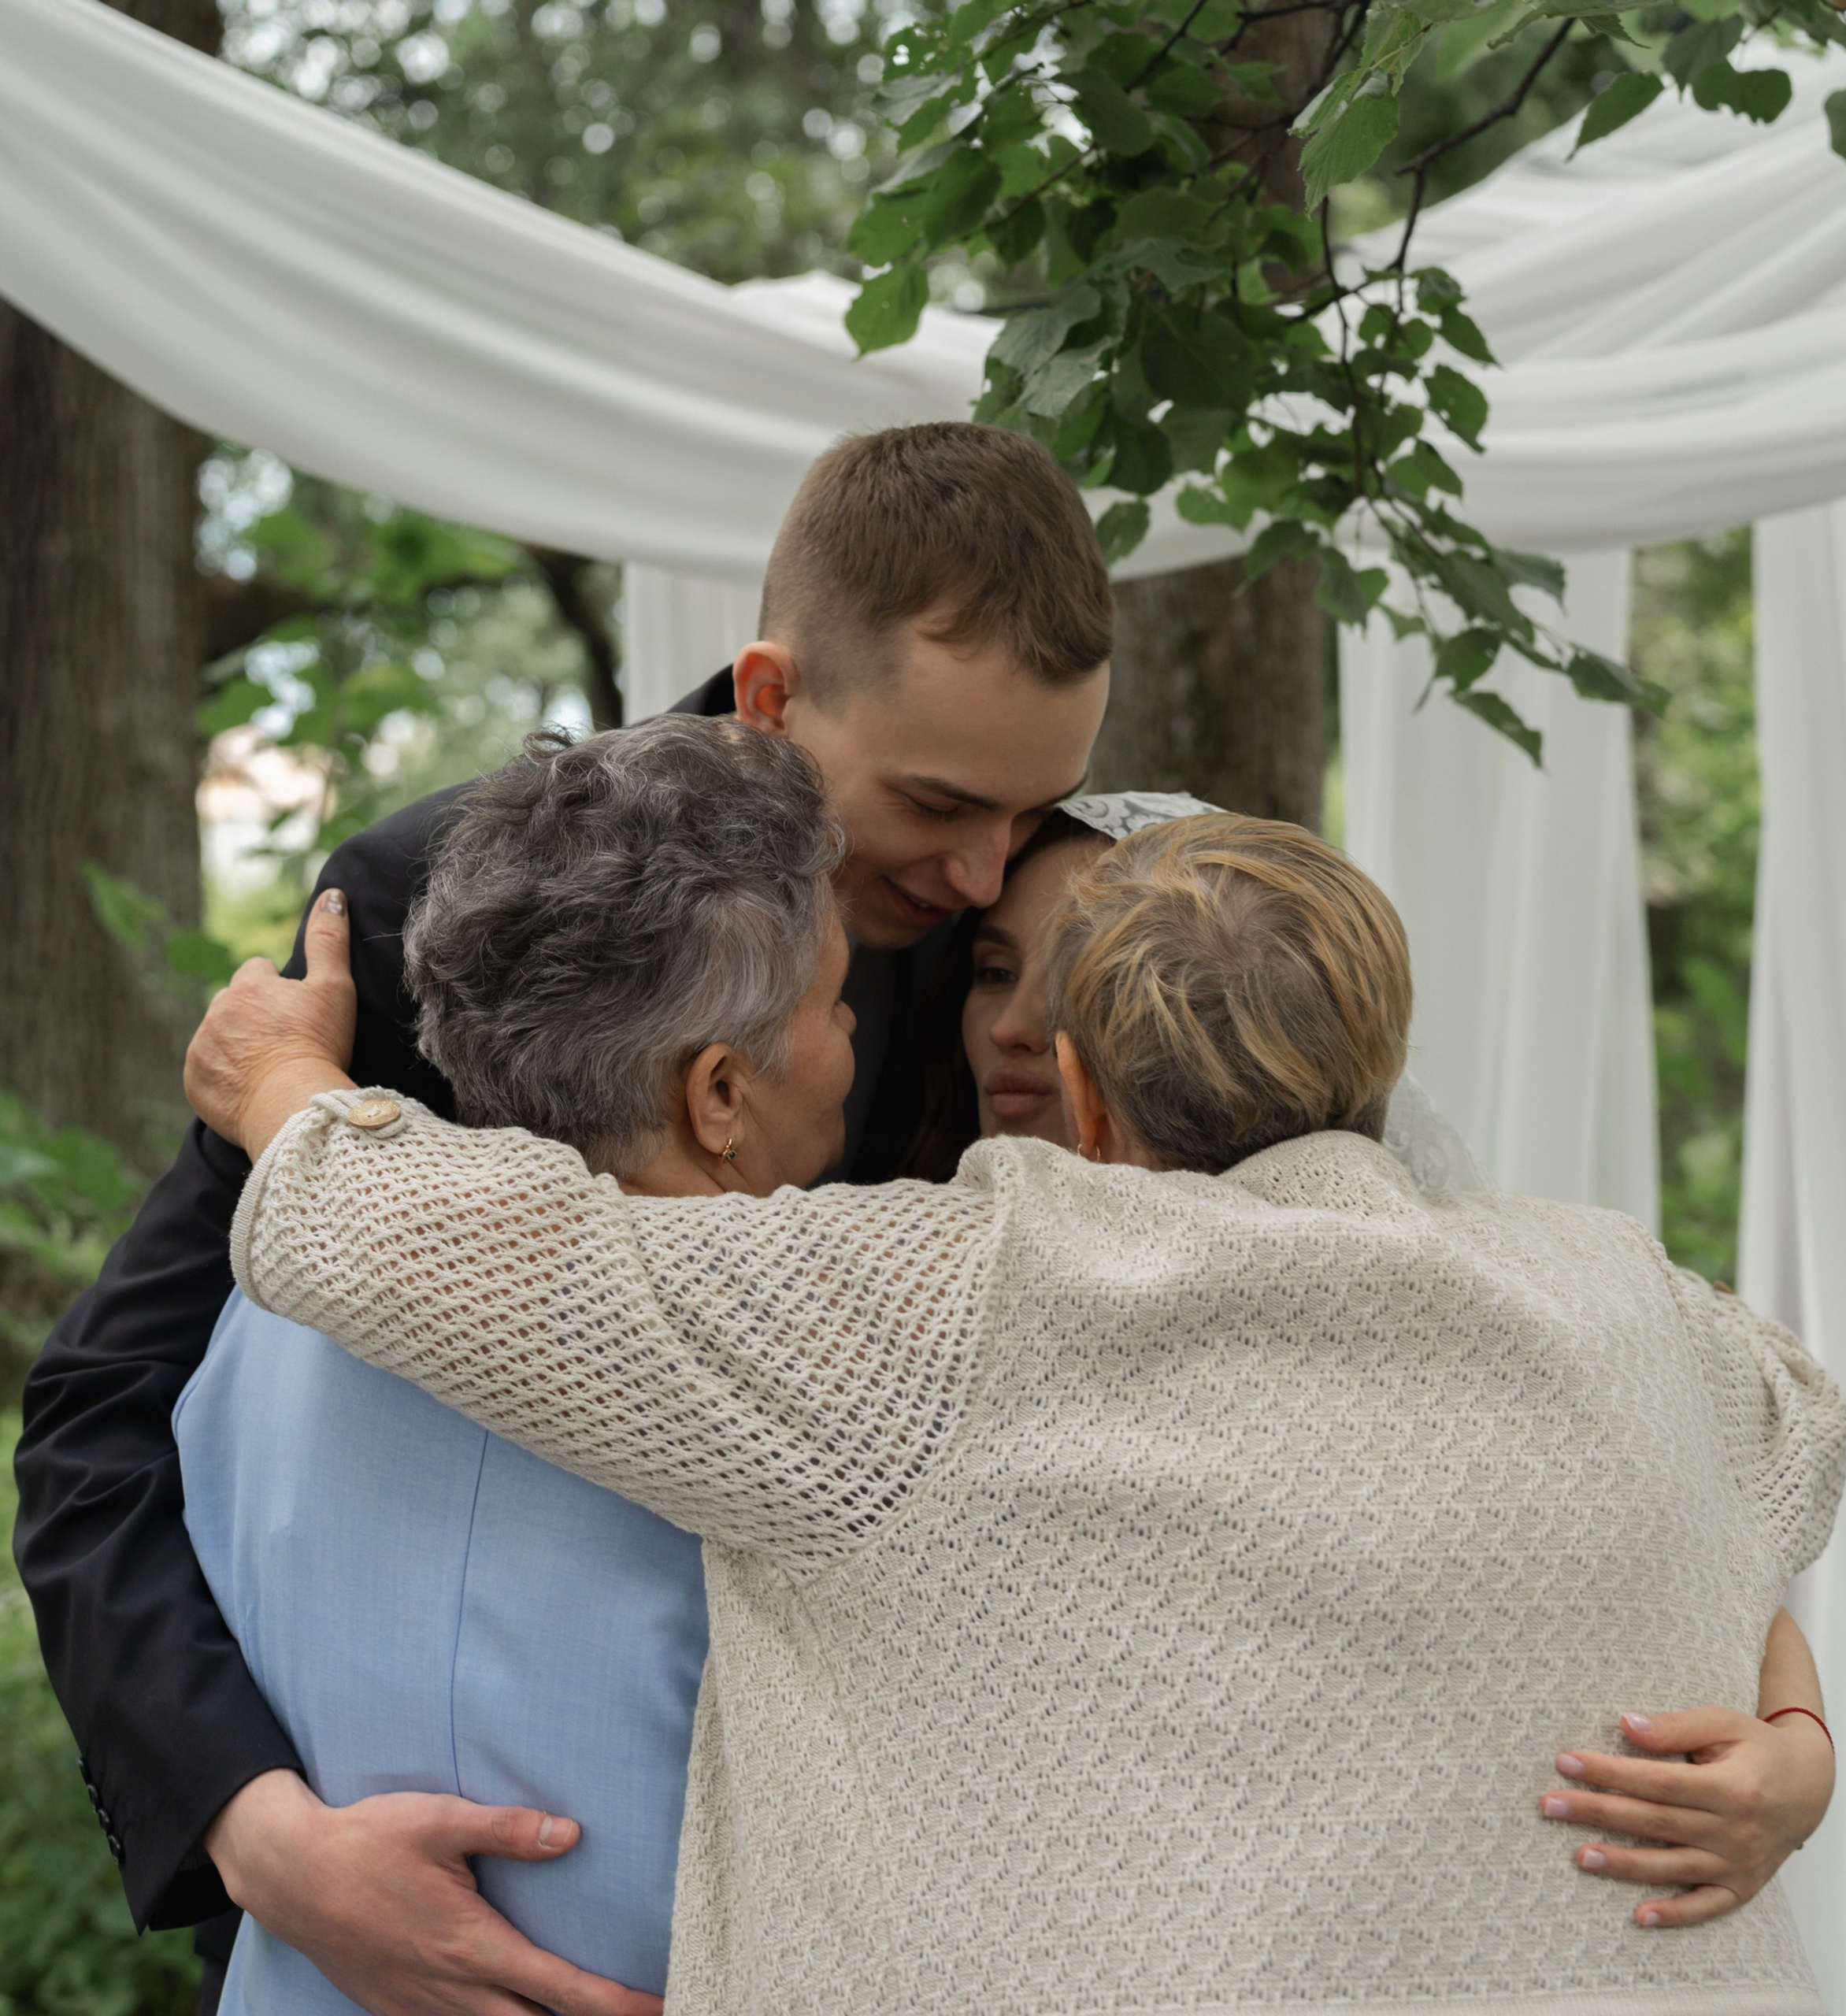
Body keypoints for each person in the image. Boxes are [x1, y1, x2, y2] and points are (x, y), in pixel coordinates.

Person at [187, 813, 1846, 2016]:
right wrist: (1797, 1744)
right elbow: (1784, 1456)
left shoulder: (935, 1302)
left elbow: (421, 1245)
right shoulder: (1640, 1307)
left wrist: (277, 1073)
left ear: (1090, 1094)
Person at [11, 421, 1112, 2016]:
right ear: (767, 696)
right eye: (939, 800)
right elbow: (105, 1415)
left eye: (1037, 804)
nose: (983, 869)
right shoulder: (439, 899)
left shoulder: (1050, 921)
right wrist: (264, 1835)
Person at [174, 717, 850, 2015]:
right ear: (716, 1095)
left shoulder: (261, 1314)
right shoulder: (789, 1364)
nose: (859, 1031)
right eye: (836, 1000)